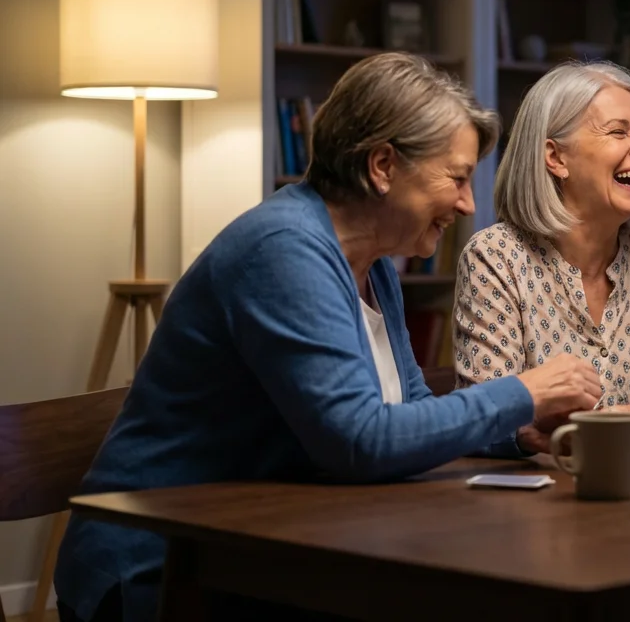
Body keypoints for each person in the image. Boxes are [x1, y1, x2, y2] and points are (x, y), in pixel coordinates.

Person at [55, 54, 602, 622]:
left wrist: (517, 432)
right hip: (160, 570)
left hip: (259, 549)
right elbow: (359, 442)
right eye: (457, 177)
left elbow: (409, 411)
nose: (467, 204)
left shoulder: (373, 261)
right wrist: (521, 392)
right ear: (383, 166)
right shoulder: (282, 249)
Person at [453, 61, 630, 448]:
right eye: (618, 132)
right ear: (556, 158)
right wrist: (628, 423)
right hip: (538, 501)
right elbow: (485, 425)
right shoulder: (495, 257)